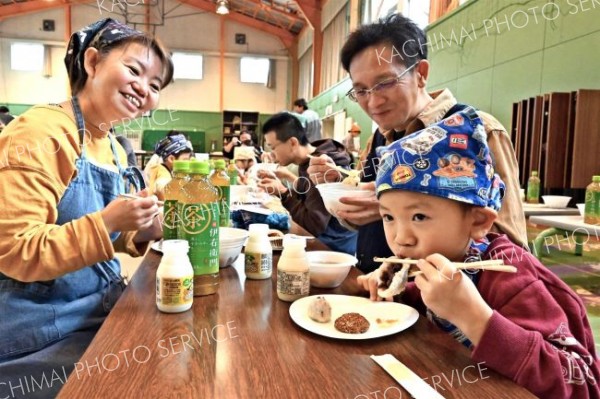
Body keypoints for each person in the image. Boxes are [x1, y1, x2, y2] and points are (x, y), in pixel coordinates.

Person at [358, 107, 600, 398]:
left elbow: (581, 386)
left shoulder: (512, 277)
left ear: (478, 221)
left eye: (419, 217)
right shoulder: (436, 262)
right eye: (388, 217)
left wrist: (474, 317)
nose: (401, 238)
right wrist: (395, 292)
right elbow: (429, 308)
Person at [0, 18, 173, 396]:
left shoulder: (110, 143)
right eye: (134, 70)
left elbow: (100, 230)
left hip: (98, 305)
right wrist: (109, 220)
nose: (144, 89)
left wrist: (143, 229)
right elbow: (15, 250)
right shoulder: (41, 132)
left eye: (156, 85)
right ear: (92, 62)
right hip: (41, 330)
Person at [307, 13, 526, 273]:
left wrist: (400, 211)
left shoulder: (478, 132)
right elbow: (362, 222)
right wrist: (335, 189)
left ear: (421, 73)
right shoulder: (379, 139)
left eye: (385, 83)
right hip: (379, 295)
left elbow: (509, 247)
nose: (373, 103)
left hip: (441, 305)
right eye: (362, 91)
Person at [257, 112, 357, 254]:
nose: (271, 154)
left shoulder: (322, 166)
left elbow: (313, 225)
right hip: (327, 241)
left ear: (292, 143)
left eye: (272, 147)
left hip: (331, 248)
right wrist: (286, 182)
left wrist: (283, 193)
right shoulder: (309, 160)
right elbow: (309, 194)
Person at [146, 133, 193, 200]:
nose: (188, 163)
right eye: (185, 160)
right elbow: (162, 188)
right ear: (171, 159)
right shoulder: (162, 173)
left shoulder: (161, 168)